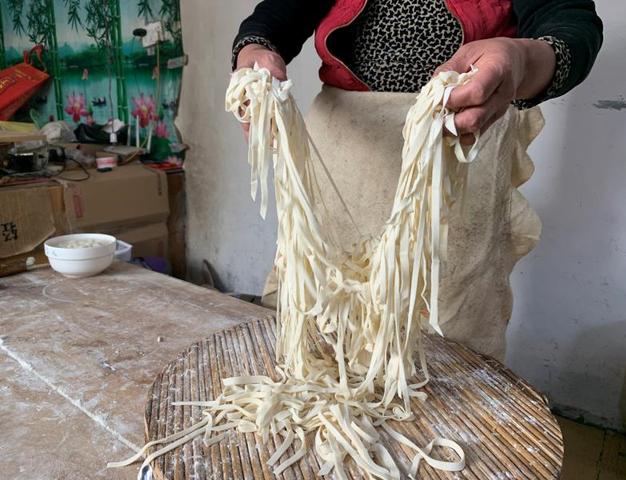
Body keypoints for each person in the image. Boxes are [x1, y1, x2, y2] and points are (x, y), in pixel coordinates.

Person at [231, 0, 603, 361]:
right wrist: (255, 46)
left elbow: (569, 22)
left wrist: (521, 58)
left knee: (447, 328)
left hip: (458, 143)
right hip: (344, 140)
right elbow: (279, 13)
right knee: (318, 314)